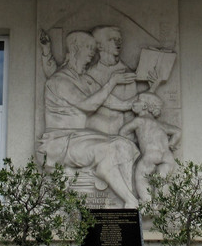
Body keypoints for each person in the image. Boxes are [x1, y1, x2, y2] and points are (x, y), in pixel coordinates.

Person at [37, 31, 140, 208]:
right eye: (89, 48)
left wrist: (139, 103)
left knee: (125, 145)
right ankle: (130, 199)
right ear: (75, 49)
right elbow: (89, 105)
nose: (92, 54)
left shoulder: (84, 79)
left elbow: (108, 101)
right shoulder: (59, 81)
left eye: (94, 48)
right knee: (106, 150)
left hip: (79, 139)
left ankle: (125, 195)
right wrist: (112, 82)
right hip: (59, 143)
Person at [120, 92, 180, 201]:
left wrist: (135, 141)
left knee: (140, 177)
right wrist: (171, 144)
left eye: (137, 100)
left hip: (151, 155)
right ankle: (157, 204)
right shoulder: (160, 124)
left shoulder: (139, 120)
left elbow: (122, 132)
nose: (134, 103)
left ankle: (147, 203)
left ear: (144, 106)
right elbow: (177, 132)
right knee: (161, 180)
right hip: (167, 157)